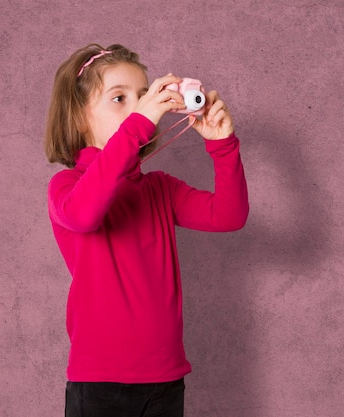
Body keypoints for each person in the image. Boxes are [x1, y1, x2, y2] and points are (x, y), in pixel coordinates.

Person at [44, 43, 249, 417]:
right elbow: (85, 215)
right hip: (100, 380)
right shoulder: (67, 186)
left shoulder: (160, 188)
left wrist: (222, 145)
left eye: (143, 97)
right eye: (119, 98)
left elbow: (229, 215)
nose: (139, 108)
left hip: (165, 377)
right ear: (77, 118)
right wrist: (138, 124)